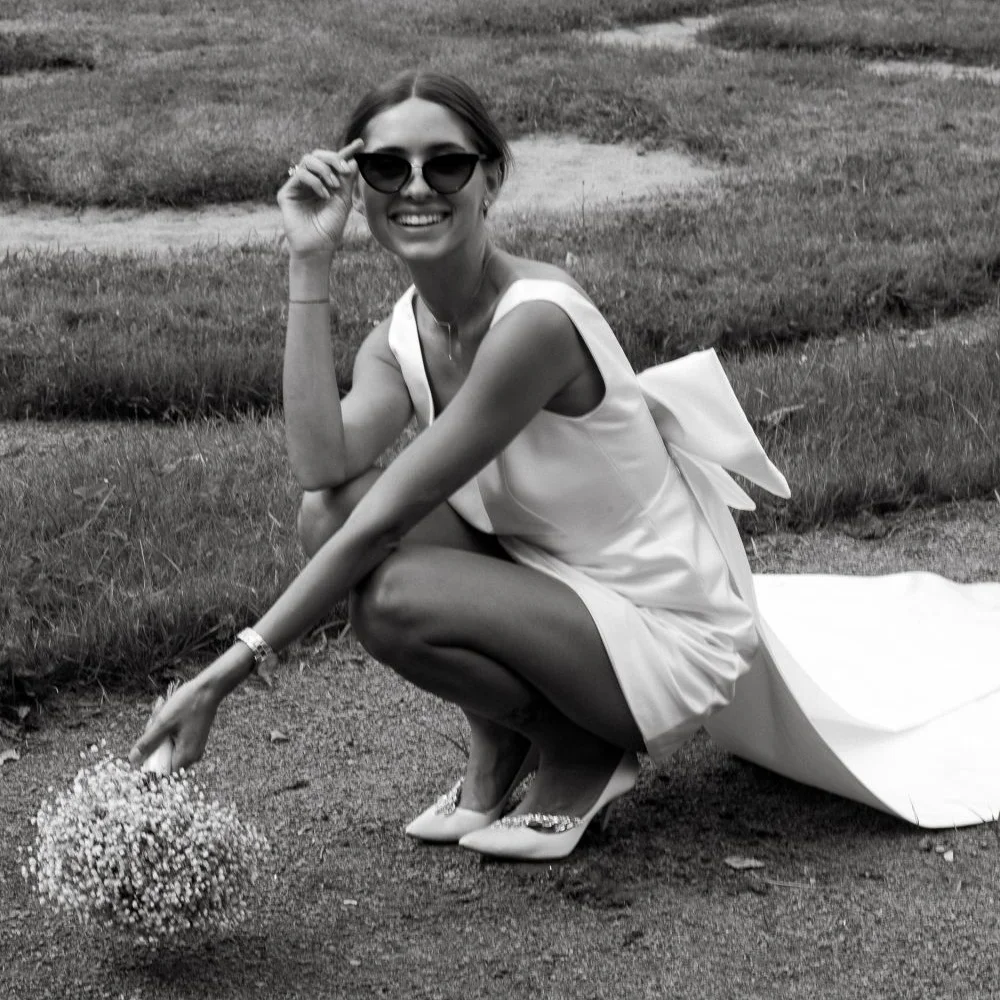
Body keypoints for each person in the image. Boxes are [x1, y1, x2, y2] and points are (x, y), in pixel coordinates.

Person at [130, 71, 1000, 856]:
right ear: (360, 188)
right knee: (327, 513)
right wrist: (307, 259)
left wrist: (229, 669)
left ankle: (583, 748)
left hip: (660, 627)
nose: (419, 187)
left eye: (448, 165)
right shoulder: (402, 334)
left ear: (492, 178)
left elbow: (392, 516)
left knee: (390, 590)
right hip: (553, 586)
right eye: (388, 168)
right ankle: (505, 736)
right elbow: (321, 467)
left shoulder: (536, 323)